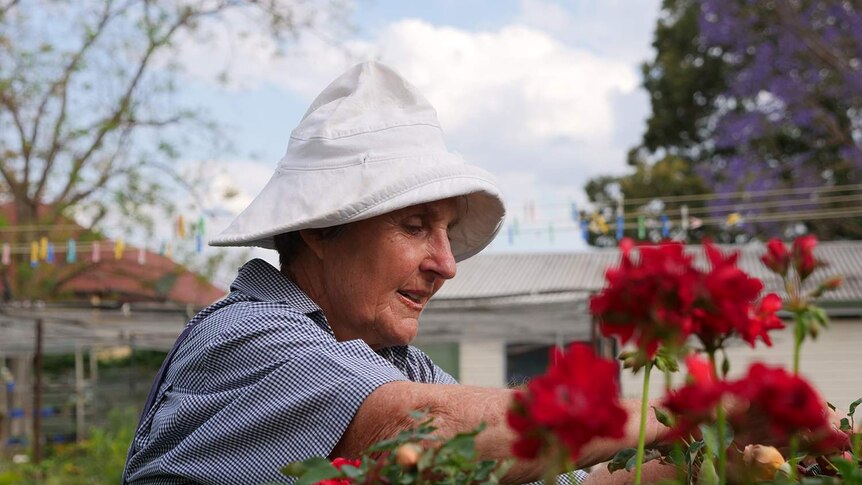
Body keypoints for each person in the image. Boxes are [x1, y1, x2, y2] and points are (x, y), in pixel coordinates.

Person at [122, 62, 668, 485]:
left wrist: (716, 453)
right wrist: (682, 412)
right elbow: (420, 430)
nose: (447, 264)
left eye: (447, 231)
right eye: (413, 225)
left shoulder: (395, 363)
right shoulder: (247, 334)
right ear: (318, 229)